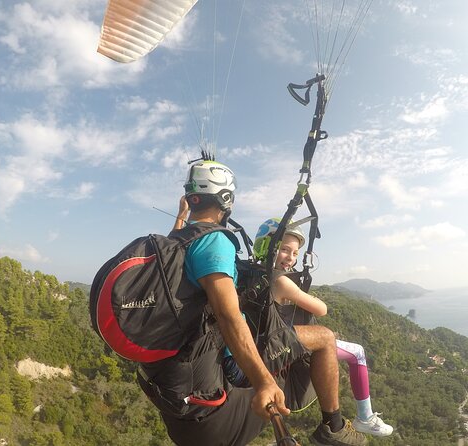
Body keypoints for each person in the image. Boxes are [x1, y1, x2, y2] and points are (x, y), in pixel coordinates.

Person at [152, 158, 368, 446]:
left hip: (184, 352)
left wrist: (182, 216)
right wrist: (264, 380)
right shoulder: (215, 241)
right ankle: (333, 426)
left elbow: (173, 251)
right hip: (231, 360)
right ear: (226, 198)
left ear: (191, 197)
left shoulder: (176, 241)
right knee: (325, 337)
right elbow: (228, 316)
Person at [253, 218, 394, 438]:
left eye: (295, 254)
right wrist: (308, 296)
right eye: (284, 250)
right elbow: (321, 309)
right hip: (285, 347)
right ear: (267, 247)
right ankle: (364, 418)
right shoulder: (280, 280)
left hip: (269, 343)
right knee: (357, 353)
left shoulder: (254, 275)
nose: (290, 258)